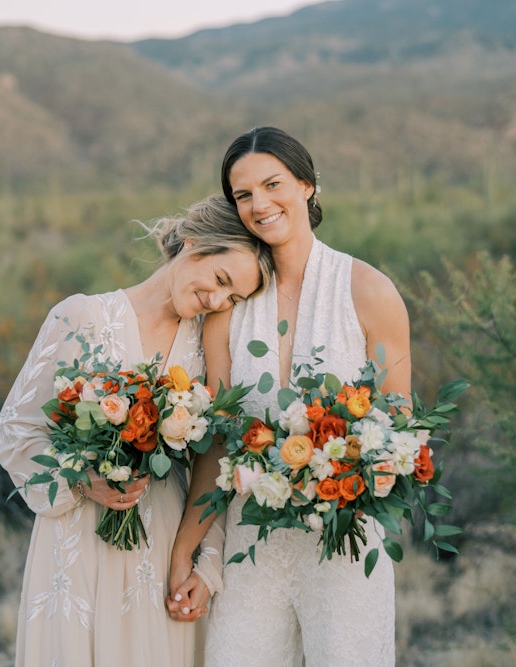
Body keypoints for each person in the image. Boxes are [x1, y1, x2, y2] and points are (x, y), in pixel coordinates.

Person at [0, 194, 274, 667]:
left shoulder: (208, 346)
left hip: (162, 547)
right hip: (76, 540)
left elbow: (215, 457)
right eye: (221, 280)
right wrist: (82, 478)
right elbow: (17, 430)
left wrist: (205, 561)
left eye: (233, 298)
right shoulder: (80, 316)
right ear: (192, 243)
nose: (218, 300)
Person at [169, 127, 409, 666]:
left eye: (272, 184)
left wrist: (340, 473)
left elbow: (402, 429)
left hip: (346, 542)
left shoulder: (369, 291)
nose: (260, 204)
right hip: (252, 544)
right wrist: (191, 542)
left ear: (307, 185)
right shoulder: (230, 301)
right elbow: (218, 439)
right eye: (243, 195)